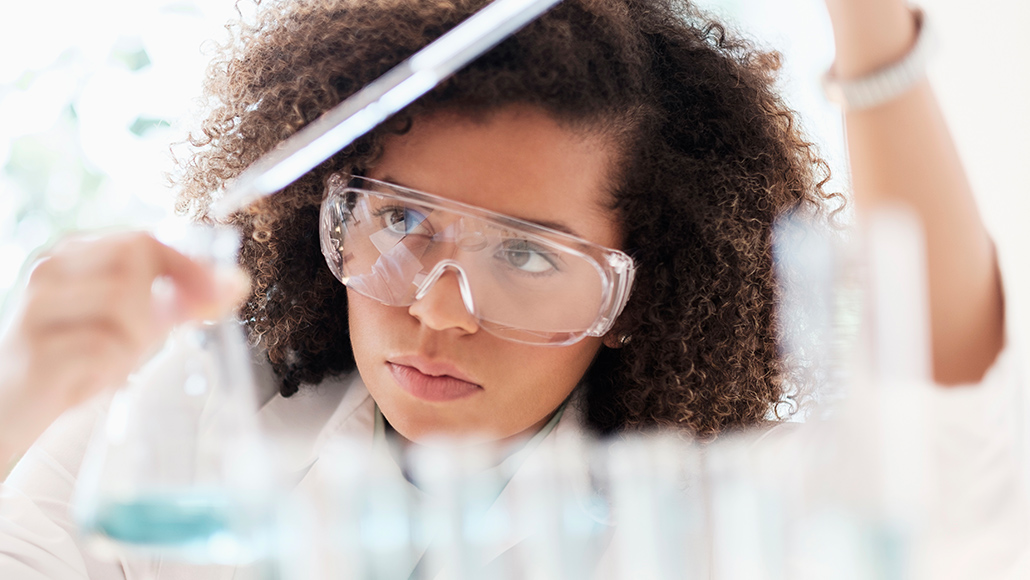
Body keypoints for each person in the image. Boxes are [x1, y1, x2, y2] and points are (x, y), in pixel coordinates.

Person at [0, 0, 1021, 577]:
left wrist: (871, 23)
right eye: (401, 221)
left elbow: (947, 406)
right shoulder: (174, 447)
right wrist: (24, 394)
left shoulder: (718, 516)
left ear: (639, 297)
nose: (439, 310)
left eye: (528, 255)